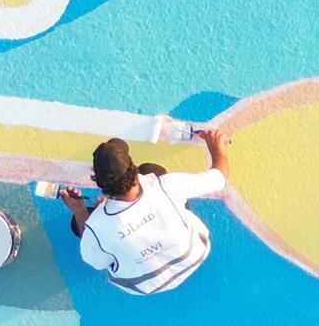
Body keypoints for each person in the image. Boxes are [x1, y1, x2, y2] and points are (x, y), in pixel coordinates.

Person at [48, 127, 231, 297]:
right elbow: (219, 178)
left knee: (85, 230)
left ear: (99, 182)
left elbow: (96, 263)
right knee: (152, 169)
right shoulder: (166, 186)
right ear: (133, 168)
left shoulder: (98, 224)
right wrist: (216, 148)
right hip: (193, 254)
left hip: (142, 286)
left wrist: (80, 211)